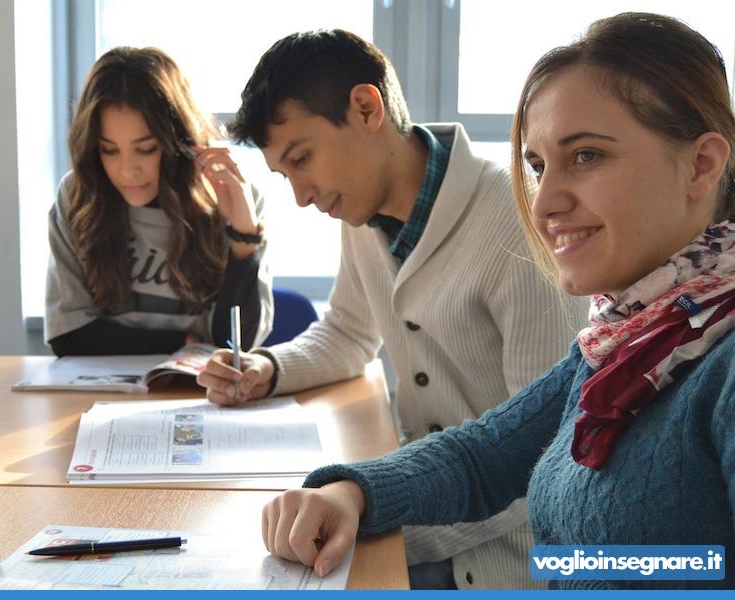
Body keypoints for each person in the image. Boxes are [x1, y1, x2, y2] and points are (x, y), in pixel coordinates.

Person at [258, 13, 735, 590]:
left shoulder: (717, 363)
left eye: (586, 155)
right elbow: (483, 454)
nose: (543, 204)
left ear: (703, 165)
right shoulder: (631, 334)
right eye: (537, 166)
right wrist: (351, 492)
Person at [196, 30, 585, 589]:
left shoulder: (515, 221)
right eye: (286, 175)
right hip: (420, 509)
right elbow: (348, 334)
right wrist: (269, 368)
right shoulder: (361, 213)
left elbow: (540, 461)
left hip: (504, 560)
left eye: (303, 159)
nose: (301, 195)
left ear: (365, 107)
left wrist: (378, 524)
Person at [45, 47, 273, 356]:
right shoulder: (78, 197)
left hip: (200, 395)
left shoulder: (229, 199)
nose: (127, 170)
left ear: (177, 143)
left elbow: (235, 345)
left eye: (147, 149)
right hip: (100, 394)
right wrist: (183, 344)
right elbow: (69, 336)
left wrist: (244, 237)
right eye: (109, 150)